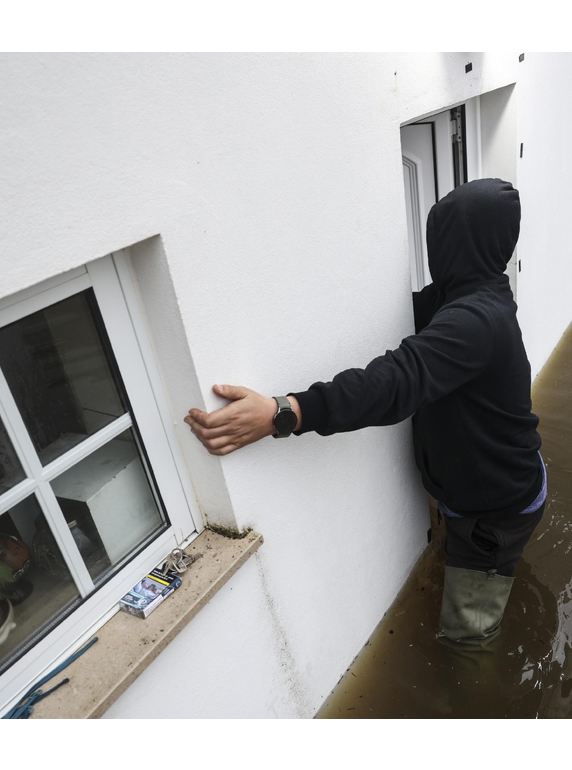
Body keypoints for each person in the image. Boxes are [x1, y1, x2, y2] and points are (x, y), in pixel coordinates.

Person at [184, 178, 545, 647]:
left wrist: (284, 412)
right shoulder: (463, 296)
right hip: (492, 481)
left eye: (441, 238)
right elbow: (384, 316)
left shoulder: (476, 320)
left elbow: (394, 382)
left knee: (466, 639)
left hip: (494, 510)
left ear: (457, 245)